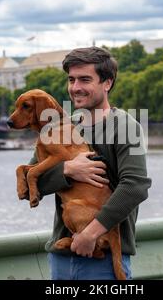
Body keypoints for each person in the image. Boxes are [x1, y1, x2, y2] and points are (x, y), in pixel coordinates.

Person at [26, 46, 152, 280]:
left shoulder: (126, 126)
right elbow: (28, 186)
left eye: (85, 79)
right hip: (61, 257)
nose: (75, 88)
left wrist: (89, 235)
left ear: (107, 83)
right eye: (71, 80)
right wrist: (67, 170)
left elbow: (135, 187)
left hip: (103, 261)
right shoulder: (59, 127)